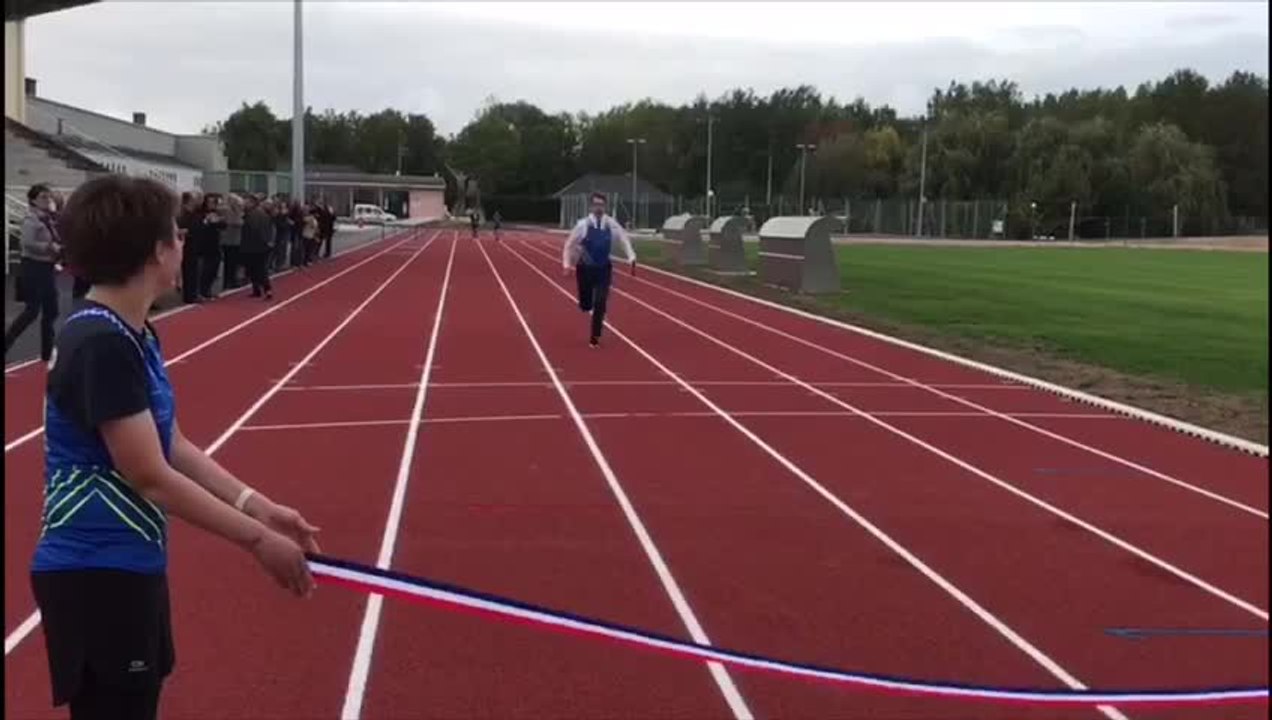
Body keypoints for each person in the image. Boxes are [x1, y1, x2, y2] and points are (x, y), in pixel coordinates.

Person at [31, 175, 318, 720]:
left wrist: (260, 505)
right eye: (177, 236)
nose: (184, 245)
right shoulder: (100, 343)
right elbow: (149, 475)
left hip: (128, 562)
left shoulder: (132, 332)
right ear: (155, 252)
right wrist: (257, 541)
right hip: (96, 570)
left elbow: (174, 444)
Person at [561, 192, 636, 348]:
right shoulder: (583, 224)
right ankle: (587, 305)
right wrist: (567, 265)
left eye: (601, 204)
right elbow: (569, 244)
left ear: (605, 206)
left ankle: (595, 335)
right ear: (591, 206)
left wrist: (631, 258)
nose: (598, 207)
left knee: (600, 301)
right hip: (585, 269)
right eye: (596, 204)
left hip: (603, 269)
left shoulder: (611, 224)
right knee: (586, 305)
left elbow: (623, 239)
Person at [5, 183, 62, 361]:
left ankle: (47, 350)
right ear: (33, 201)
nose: (48, 201)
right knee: (32, 311)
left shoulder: (49, 219)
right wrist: (49, 247)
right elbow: (27, 244)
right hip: (33, 268)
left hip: (47, 268)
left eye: (49, 197)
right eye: (43, 197)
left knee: (52, 310)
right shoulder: (31, 220)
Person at [240, 195, 274, 300]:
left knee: (257, 269)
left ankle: (266, 289)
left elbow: (255, 230)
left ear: (253, 203)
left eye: (247, 202)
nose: (244, 204)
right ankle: (258, 290)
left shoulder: (253, 215)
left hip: (254, 246)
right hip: (259, 246)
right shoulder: (261, 214)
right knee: (257, 269)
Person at [176, 192, 201, 304]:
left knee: (192, 271)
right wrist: (186, 232)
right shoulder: (183, 214)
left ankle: (191, 294)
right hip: (187, 245)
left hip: (193, 245)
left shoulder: (192, 213)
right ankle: (190, 296)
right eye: (194, 199)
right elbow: (181, 229)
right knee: (189, 271)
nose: (196, 202)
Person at [219, 194, 244, 290]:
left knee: (233, 262)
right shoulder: (228, 210)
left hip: (235, 240)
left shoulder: (236, 211)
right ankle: (228, 282)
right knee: (230, 262)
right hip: (229, 241)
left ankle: (232, 280)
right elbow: (237, 222)